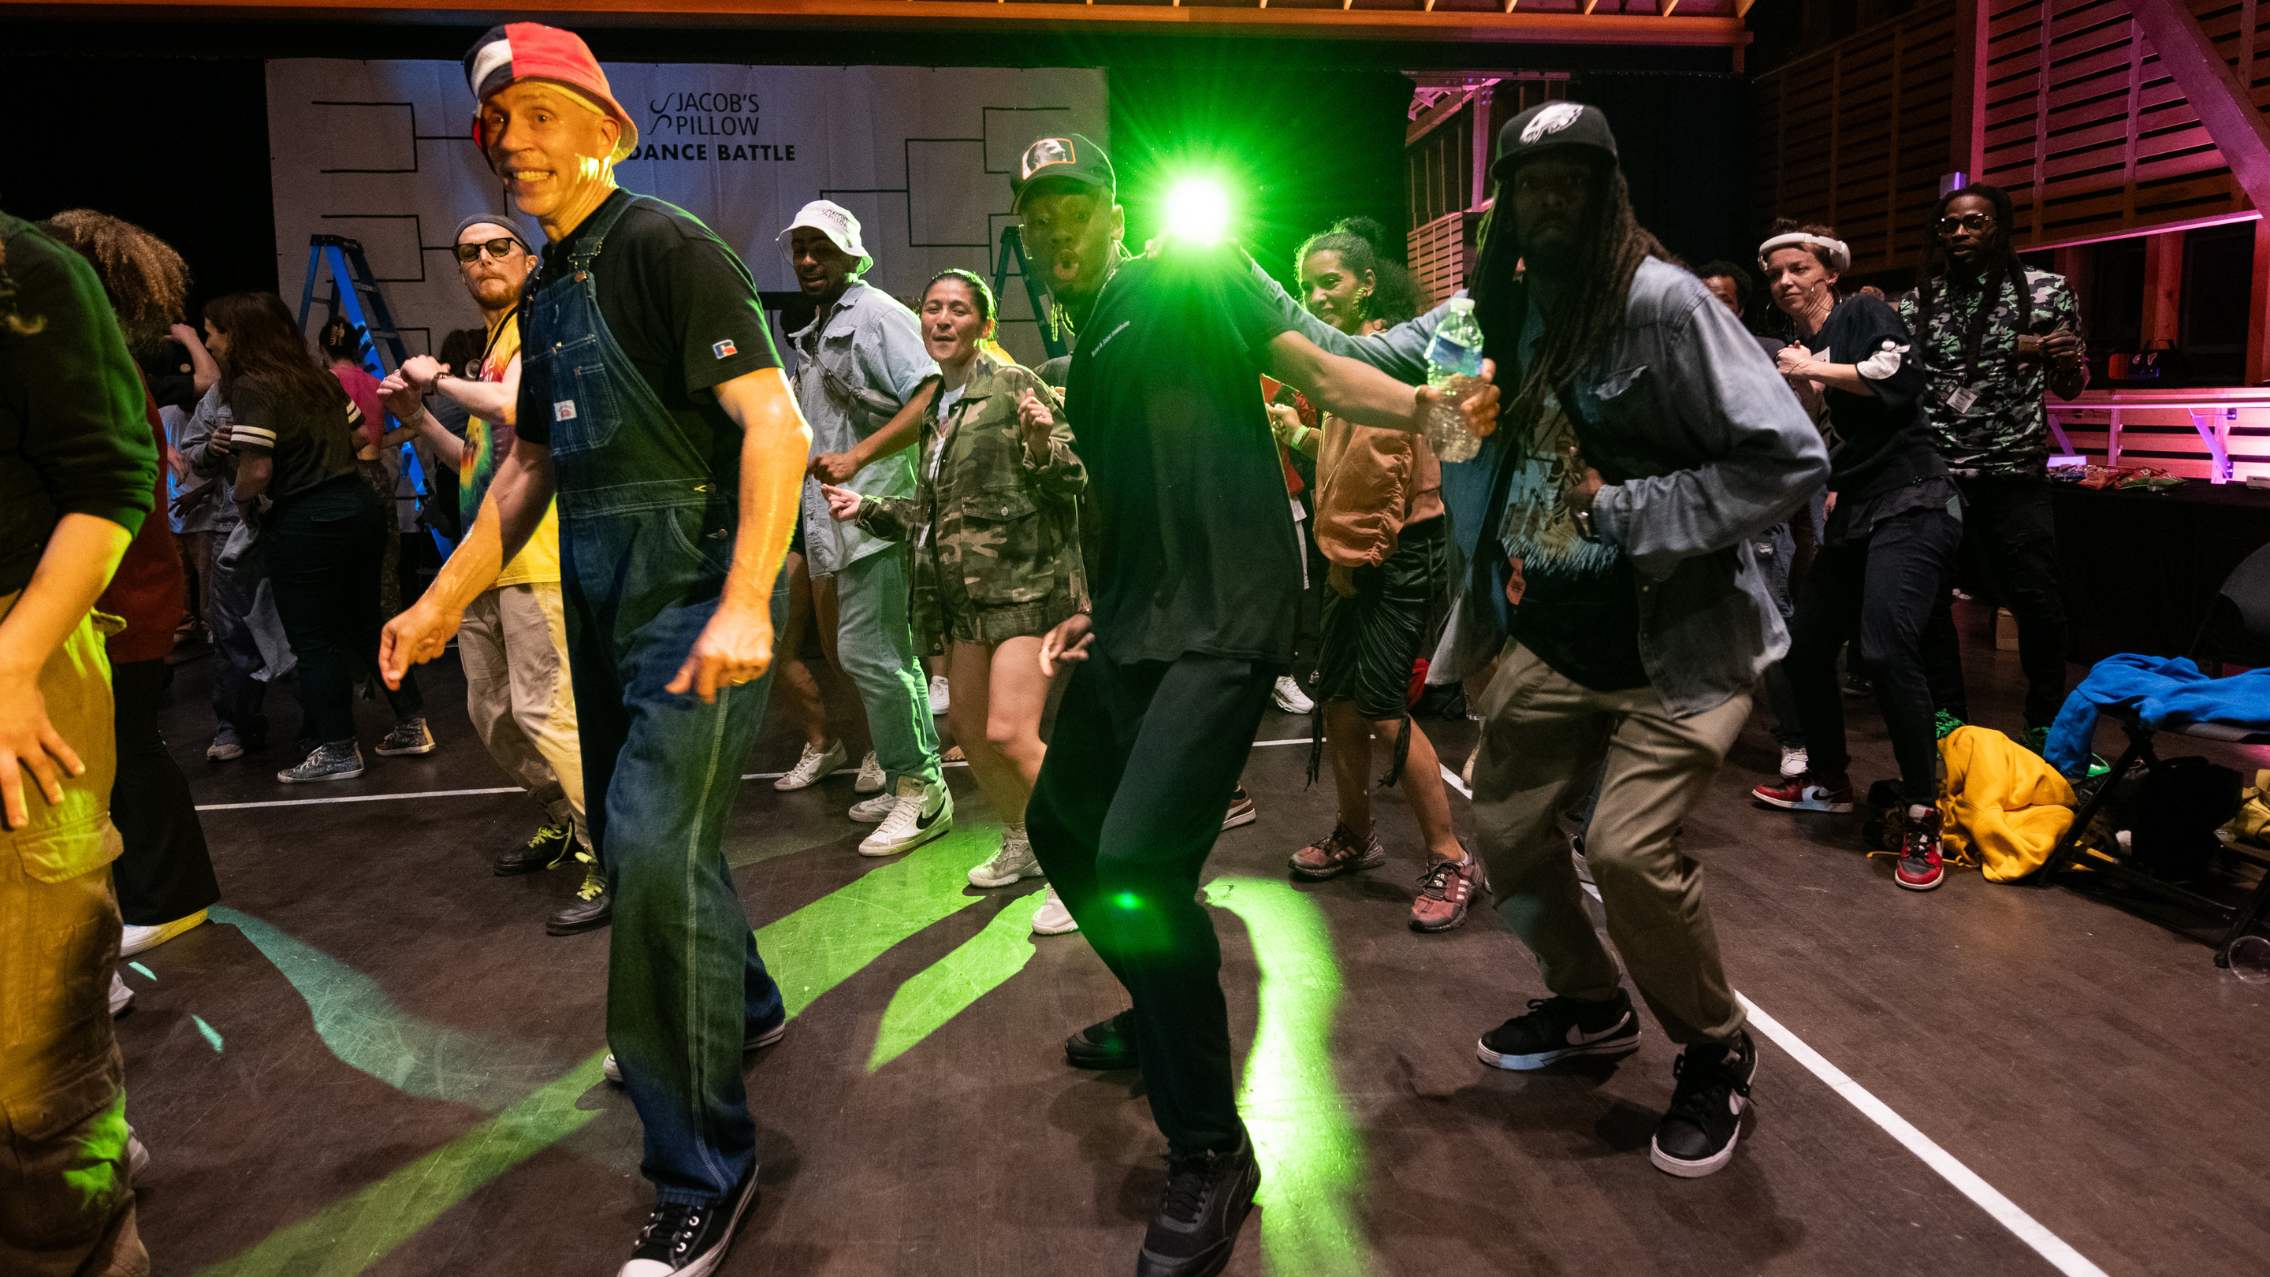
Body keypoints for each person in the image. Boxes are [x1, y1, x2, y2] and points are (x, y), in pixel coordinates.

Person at [1008, 130, 1500, 1276]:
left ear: (1116, 211)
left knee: (1133, 862)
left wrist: (1432, 412)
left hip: (1225, 617)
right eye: (1036, 217)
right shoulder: (1086, 345)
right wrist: (1096, 601)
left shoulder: (1190, 270)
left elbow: (1323, 373)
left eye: (1073, 206)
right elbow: (1128, 491)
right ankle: (1157, 999)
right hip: (1135, 622)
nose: (1056, 230)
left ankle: (1210, 1149)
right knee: (1060, 829)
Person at [381, 25, 806, 1274]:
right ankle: (743, 1006)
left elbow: (771, 429)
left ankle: (700, 1171)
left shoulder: (665, 246)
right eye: (496, 125)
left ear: (608, 128)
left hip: (692, 602)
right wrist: (444, 599)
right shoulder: (549, 287)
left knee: (644, 860)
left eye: (538, 113)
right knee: (657, 847)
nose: (512, 141)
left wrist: (742, 599)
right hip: (604, 600)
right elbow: (527, 466)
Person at [1459, 103, 1826, 1178]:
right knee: (1508, 828)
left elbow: (1787, 455)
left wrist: (1623, 505)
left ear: (1608, 191)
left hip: (1682, 641)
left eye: (1573, 179)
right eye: (1532, 181)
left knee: (1624, 851)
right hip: (1558, 632)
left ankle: (1714, 1051)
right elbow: (1384, 353)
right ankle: (1586, 1002)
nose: (1551, 197)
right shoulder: (1511, 296)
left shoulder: (1662, 304)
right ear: (1507, 201)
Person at [821, 269, 1088, 936]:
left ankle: (1084, 868)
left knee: (1009, 732)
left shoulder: (1015, 385)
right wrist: (869, 509)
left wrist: (1037, 447)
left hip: (1029, 590)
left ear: (984, 326)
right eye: (932, 308)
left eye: (958, 310)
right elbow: (939, 516)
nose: (941, 319)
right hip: (967, 602)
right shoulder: (941, 407)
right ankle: (1024, 840)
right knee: (968, 732)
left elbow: (1074, 473)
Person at [0, 204, 159, 1277]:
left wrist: (14, 662)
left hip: (19, 650)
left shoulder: (23, 267)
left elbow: (112, 480)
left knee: (31, 1055)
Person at [380, 213, 604, 935]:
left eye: (497, 246)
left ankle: (613, 856)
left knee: (549, 709)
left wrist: (437, 377)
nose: (482, 260)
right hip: (483, 558)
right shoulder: (492, 345)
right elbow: (474, 461)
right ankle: (559, 820)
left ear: (528, 256)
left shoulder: (541, 323)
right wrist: (418, 417)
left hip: (535, 552)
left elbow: (520, 408)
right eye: (468, 252)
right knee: (493, 712)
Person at [1271, 218, 1475, 932]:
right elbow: (1351, 455)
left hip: (1392, 549)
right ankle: (1356, 835)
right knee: (1339, 707)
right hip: (1350, 549)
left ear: (1366, 283)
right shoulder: (1348, 358)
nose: (1319, 296)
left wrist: (1355, 558)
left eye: (1332, 282)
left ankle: (1450, 856)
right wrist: (1300, 435)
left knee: (1385, 708)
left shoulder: (1393, 355)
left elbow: (1391, 473)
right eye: (1307, 287)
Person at [1750, 220, 1964, 892]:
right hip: (1858, 506)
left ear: (1830, 273)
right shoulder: (1799, 349)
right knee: (1804, 645)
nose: (1786, 281)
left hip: (1912, 498)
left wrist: (1812, 369)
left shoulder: (1861, 314)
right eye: (1777, 273)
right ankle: (1830, 776)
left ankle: (1923, 814)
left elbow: (1897, 375)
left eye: (1799, 269)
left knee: (1884, 649)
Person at [40, 210, 222, 958]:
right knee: (125, 749)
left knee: (127, 749)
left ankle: (169, 896)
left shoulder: (95, 369)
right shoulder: (98, 361)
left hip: (118, 600)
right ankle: (164, 893)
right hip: (121, 594)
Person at [782, 200, 951, 856]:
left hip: (879, 509)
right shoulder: (825, 326)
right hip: (845, 518)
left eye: (819, 248)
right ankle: (912, 775)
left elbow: (930, 393)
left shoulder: (876, 313)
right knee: (879, 653)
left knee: (873, 653)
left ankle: (921, 789)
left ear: (852, 253)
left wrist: (859, 458)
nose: (806, 261)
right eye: (799, 249)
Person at [203, 292, 427, 781]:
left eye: (211, 331)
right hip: (358, 505)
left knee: (315, 640)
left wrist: (243, 499)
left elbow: (257, 468)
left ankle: (339, 751)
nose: (208, 341)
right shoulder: (316, 379)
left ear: (236, 334)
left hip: (307, 517)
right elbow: (358, 438)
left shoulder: (252, 385)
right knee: (366, 623)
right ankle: (412, 723)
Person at [1898, 183, 2087, 751]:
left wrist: (2067, 359)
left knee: (2038, 602)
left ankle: (2047, 722)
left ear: (1998, 227)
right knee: (1931, 601)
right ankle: (1948, 718)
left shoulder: (2047, 291)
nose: (1959, 233)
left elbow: (2072, 389)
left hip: (2014, 473)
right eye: (1949, 225)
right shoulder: (1917, 303)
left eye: (1973, 222)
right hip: (1939, 475)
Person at [1696, 258, 1815, 779]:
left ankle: (1795, 739)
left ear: (1739, 307)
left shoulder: (1770, 356)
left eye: (1723, 299)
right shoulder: (1679, 357)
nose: (1711, 308)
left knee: (1776, 632)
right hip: (1700, 516)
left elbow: (1795, 437)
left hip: (1759, 521)